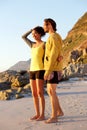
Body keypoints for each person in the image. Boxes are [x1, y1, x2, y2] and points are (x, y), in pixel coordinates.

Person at [22, 26, 45, 121]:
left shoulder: (45, 44)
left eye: (35, 33)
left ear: (40, 33)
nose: (33, 35)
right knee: (34, 93)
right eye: (32, 34)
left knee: (40, 93)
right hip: (32, 70)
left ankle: (42, 115)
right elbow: (23, 37)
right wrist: (31, 30)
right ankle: (37, 114)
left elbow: (49, 56)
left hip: (40, 69)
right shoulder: (32, 44)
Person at [43, 18, 64, 123]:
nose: (43, 27)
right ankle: (59, 112)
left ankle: (54, 116)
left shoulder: (53, 37)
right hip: (54, 68)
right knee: (51, 91)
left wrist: (48, 71)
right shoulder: (56, 36)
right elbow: (60, 50)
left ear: (49, 25)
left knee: (52, 91)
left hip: (53, 69)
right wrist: (62, 55)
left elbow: (53, 54)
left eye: (44, 25)